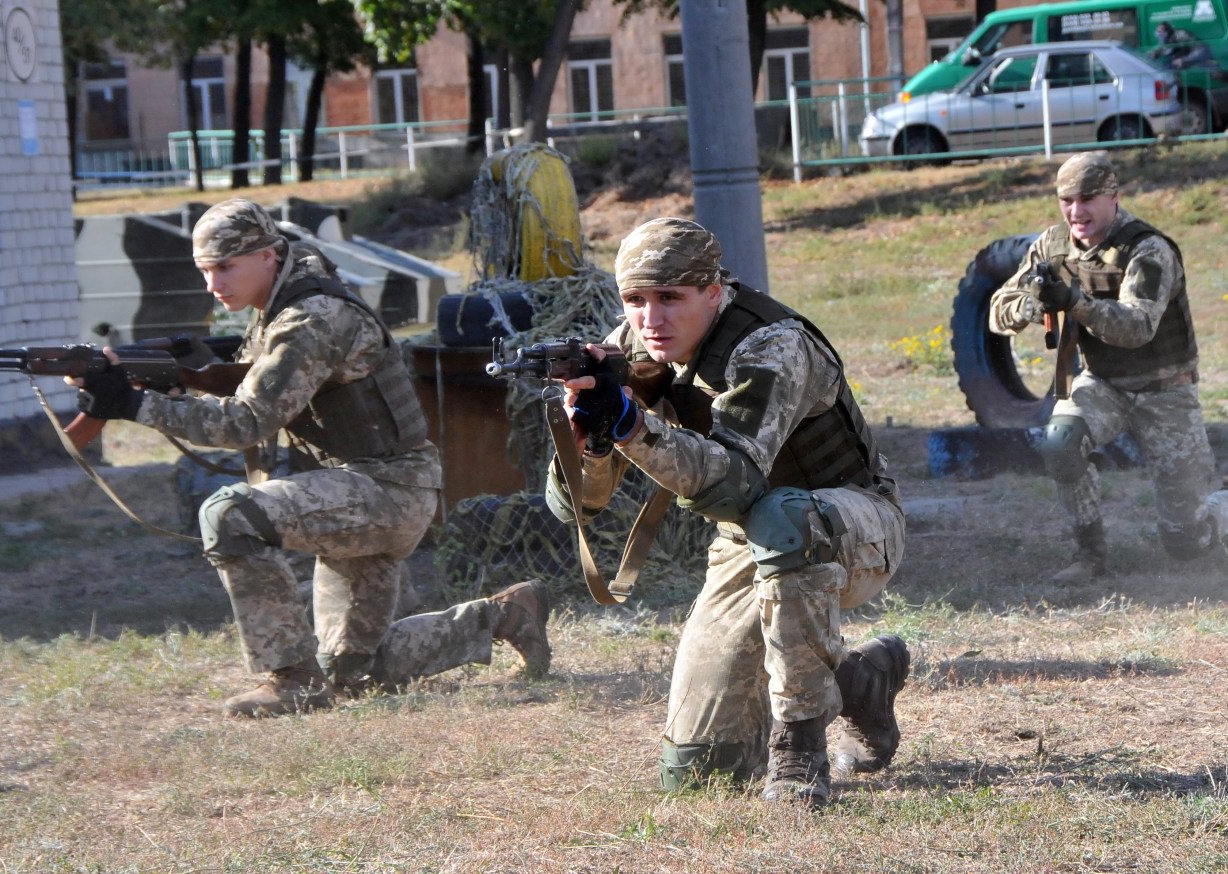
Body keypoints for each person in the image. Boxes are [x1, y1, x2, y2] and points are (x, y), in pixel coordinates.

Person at [72, 198, 551, 717]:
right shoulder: (278, 310)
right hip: (360, 489)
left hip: (387, 492)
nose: (213, 284)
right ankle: (506, 616)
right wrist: (165, 378)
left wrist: (137, 405)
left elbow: (246, 421)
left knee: (229, 516)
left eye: (226, 267)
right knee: (355, 675)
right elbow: (244, 388)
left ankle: (291, 678)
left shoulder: (311, 318)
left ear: (269, 256)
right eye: (205, 271)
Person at [544, 217, 910, 808]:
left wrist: (634, 425)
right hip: (750, 541)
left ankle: (800, 753)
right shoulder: (632, 347)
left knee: (783, 517)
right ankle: (862, 680)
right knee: (698, 772)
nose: (650, 319)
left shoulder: (771, 343)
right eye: (635, 300)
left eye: (670, 299)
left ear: (714, 293)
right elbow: (576, 505)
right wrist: (591, 432)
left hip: (851, 525)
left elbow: (738, 486)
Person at [990, 152, 1228, 584]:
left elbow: (1138, 328)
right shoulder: (1054, 246)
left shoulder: (1148, 249)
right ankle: (1090, 554)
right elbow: (998, 308)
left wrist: (1075, 303)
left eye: (1087, 199)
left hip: (1165, 390)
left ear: (1113, 198)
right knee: (1061, 442)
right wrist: (1030, 304)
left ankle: (1220, 507)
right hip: (1103, 385)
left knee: (1187, 543)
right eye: (1066, 200)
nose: (1076, 211)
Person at [1150, 21, 1216, 72]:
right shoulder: (1164, 39)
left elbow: (1202, 49)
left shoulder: (1182, 35)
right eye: (1157, 31)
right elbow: (1160, 49)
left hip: (1197, 59)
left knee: (1215, 72)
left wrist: (1184, 59)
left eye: (1160, 31)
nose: (1158, 33)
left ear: (1168, 31)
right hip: (1182, 66)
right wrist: (1153, 54)